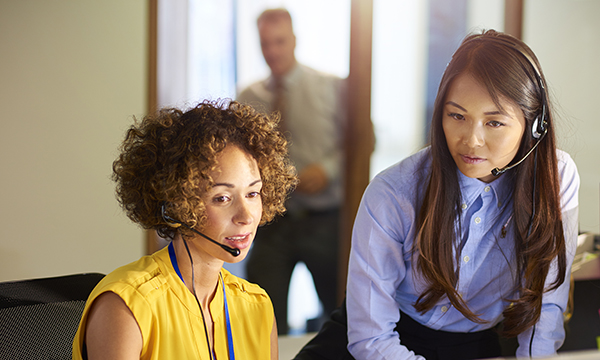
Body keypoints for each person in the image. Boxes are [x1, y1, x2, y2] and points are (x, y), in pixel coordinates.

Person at [294, 29, 580, 360]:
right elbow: (370, 339)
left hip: (473, 344)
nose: (471, 140)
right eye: (456, 115)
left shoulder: (554, 178)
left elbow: (547, 305)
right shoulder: (393, 192)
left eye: (494, 123)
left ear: (534, 124)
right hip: (376, 341)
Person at [72, 100, 297, 359]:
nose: (246, 217)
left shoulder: (256, 305)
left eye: (253, 193)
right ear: (178, 203)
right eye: (222, 198)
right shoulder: (128, 304)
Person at [237, 8, 347, 335]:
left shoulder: (330, 87)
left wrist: (327, 170)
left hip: (324, 220)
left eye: (279, 42)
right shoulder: (248, 97)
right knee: (260, 317)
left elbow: (359, 141)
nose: (272, 52)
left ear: (294, 41)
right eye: (265, 44)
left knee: (339, 315)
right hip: (273, 224)